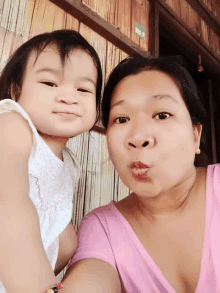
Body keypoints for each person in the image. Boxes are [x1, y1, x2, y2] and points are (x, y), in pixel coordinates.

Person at [61, 55, 220, 293]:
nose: (138, 137)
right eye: (121, 119)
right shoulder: (102, 228)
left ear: (196, 135)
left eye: (162, 115)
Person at [0, 30, 102, 293]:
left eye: (83, 89)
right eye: (49, 83)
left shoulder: (70, 166)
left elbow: (55, 231)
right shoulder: (12, 124)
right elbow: (9, 207)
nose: (69, 97)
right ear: (15, 89)